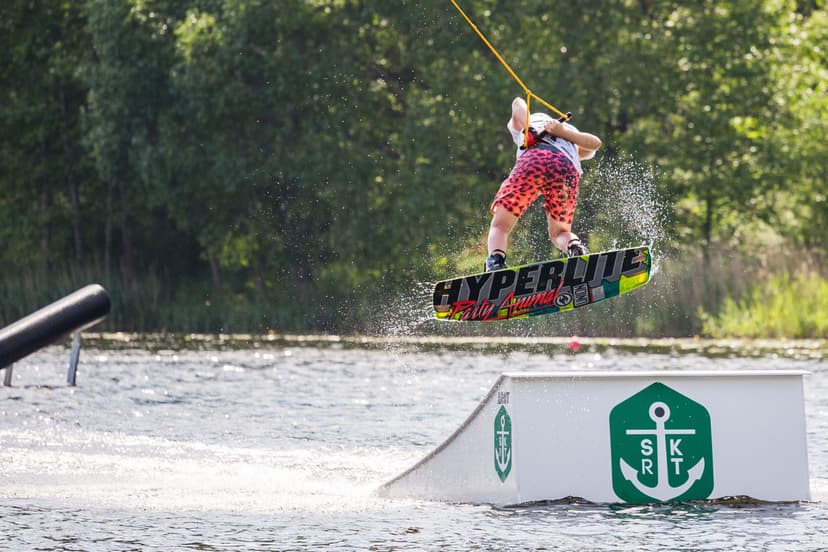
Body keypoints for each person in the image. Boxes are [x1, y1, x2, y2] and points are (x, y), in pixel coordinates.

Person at [484, 97, 602, 272]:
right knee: (560, 233)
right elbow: (595, 143)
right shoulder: (572, 140)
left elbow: (517, 102)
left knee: (500, 225)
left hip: (532, 161)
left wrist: (530, 127)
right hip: (565, 169)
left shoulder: (525, 127)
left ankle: (496, 262)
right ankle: (575, 249)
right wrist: (564, 133)